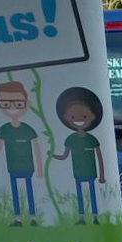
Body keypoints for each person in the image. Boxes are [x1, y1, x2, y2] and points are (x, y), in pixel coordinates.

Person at [0, 80, 42, 225]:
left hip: (27, 167)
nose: (13, 108)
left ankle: (33, 218)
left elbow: (37, 150)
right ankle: (18, 218)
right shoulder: (4, 129)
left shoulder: (28, 129)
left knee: (29, 191)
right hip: (13, 167)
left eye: (18, 103)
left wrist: (40, 169)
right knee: (15, 193)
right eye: (6, 104)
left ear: (26, 104)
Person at [49, 86, 105, 221]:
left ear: (91, 117)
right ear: (67, 118)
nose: (79, 119)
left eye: (84, 116)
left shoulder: (92, 139)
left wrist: (102, 176)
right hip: (78, 172)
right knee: (80, 194)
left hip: (91, 173)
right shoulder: (70, 139)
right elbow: (65, 155)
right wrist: (52, 155)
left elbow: (100, 158)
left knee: (92, 193)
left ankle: (95, 216)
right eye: (73, 116)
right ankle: (81, 217)